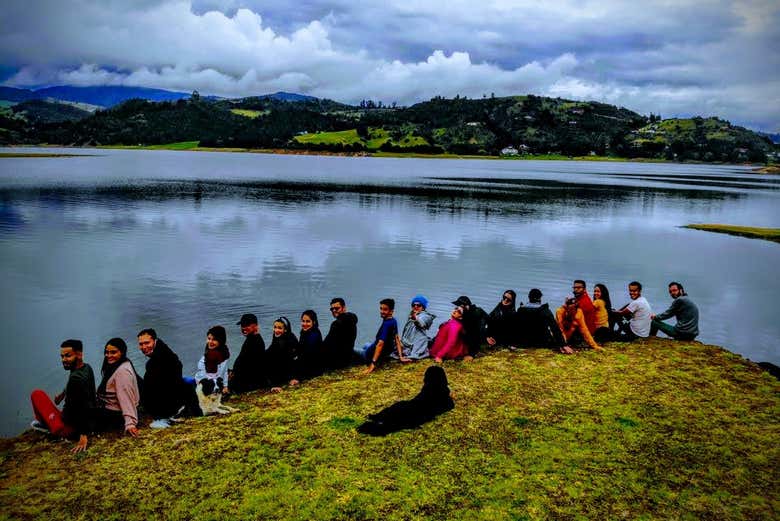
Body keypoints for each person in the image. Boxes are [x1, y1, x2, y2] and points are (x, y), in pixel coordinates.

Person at [30, 339, 96, 453]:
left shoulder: (75, 379)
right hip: (86, 421)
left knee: (36, 394)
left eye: (68, 356)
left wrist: (83, 435)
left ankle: (47, 426)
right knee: (39, 395)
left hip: (68, 428)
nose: (64, 360)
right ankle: (50, 423)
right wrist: (62, 394)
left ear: (79, 354)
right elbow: (78, 388)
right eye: (62, 356)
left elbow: (83, 407)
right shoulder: (86, 367)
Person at [357, 365, 455, 436]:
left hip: (413, 407)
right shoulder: (443, 396)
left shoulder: (427, 390)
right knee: (399, 417)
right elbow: (449, 402)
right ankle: (378, 423)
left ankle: (377, 418)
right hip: (420, 413)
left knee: (398, 409)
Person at [137, 328, 186, 428]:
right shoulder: (164, 351)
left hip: (167, 403)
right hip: (174, 397)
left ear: (155, 340)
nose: (144, 347)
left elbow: (157, 386)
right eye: (141, 344)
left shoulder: (160, 359)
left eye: (147, 343)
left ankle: (162, 418)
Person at [94, 338, 140, 437]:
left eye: (113, 352)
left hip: (115, 415)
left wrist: (130, 423)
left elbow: (125, 397)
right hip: (109, 409)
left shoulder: (122, 372)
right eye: (106, 352)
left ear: (122, 352)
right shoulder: (122, 363)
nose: (109, 355)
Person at [356, 298, 402, 374]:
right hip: (382, 352)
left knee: (351, 350)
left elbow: (380, 344)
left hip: (368, 355)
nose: (381, 312)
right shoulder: (393, 321)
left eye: (385, 309)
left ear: (391, 311)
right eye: (381, 309)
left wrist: (372, 364)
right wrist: (401, 357)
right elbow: (397, 338)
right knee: (366, 344)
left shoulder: (386, 324)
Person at [229, 313, 267, 394]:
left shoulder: (256, 342)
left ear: (256, 326)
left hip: (247, 383)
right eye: (242, 325)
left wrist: (233, 376)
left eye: (247, 325)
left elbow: (251, 368)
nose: (243, 328)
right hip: (243, 379)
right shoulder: (251, 339)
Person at [392, 294, 435, 361]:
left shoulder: (426, 316)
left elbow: (421, 323)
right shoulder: (412, 314)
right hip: (407, 342)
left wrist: (415, 319)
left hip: (416, 344)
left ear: (423, 307)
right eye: (413, 305)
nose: (415, 306)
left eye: (418, 305)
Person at [323, 298, 359, 370]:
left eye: (336, 308)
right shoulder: (352, 318)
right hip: (348, 355)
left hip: (338, 361)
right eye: (332, 309)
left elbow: (326, 344)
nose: (334, 311)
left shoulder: (336, 324)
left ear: (344, 308)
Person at [265, 317, 299, 392]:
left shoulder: (287, 341)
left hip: (284, 372)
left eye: (280, 328)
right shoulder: (279, 338)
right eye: (275, 327)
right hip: (283, 370)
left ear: (285, 329)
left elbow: (289, 362)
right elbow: (269, 351)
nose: (276, 330)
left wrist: (274, 384)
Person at [194, 325, 230, 393]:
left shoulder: (211, 355)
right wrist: (225, 386)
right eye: (209, 338)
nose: (210, 342)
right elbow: (224, 371)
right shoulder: (224, 353)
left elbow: (224, 371)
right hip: (208, 384)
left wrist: (225, 386)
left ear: (221, 340)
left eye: (214, 339)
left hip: (207, 386)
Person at [452, 296, 488, 360]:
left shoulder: (471, 316)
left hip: (476, 340)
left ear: (463, 306)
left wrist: (472, 354)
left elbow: (474, 335)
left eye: (459, 306)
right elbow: (489, 319)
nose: (457, 308)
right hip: (480, 335)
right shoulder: (476, 310)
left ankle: (473, 353)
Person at [295, 310, 325, 380]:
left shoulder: (314, 335)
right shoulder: (304, 332)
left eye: (308, 321)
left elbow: (308, 358)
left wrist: (299, 378)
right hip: (307, 364)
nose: (304, 324)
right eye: (303, 321)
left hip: (313, 368)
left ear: (313, 322)